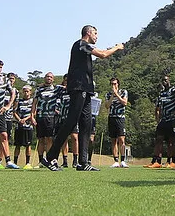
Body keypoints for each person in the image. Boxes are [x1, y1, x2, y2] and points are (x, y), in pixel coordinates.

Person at [42, 25, 124, 171]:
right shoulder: (80, 44)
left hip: (86, 89)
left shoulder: (84, 47)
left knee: (86, 125)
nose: (97, 36)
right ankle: (50, 158)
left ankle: (83, 162)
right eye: (95, 33)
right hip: (78, 88)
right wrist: (117, 47)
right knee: (71, 121)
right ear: (88, 33)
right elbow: (103, 54)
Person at [148, 75, 175, 169]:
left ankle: (171, 161)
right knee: (159, 139)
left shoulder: (174, 90)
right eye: (163, 81)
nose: (165, 82)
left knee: (171, 141)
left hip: (172, 119)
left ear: (169, 81)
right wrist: (157, 118)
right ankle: (157, 161)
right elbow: (157, 107)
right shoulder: (161, 94)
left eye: (166, 80)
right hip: (163, 120)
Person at [32, 72, 61, 166]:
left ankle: (49, 159)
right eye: (47, 76)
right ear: (44, 78)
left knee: (49, 139)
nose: (49, 78)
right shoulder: (39, 90)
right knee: (41, 139)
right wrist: (32, 116)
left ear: (53, 79)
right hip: (40, 116)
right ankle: (41, 161)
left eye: (51, 77)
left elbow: (67, 87)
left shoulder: (56, 89)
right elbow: (34, 104)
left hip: (51, 117)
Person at [104, 77, 129, 168]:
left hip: (120, 118)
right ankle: (115, 160)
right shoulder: (108, 94)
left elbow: (124, 103)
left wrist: (117, 95)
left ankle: (122, 160)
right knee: (113, 140)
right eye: (112, 84)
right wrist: (112, 96)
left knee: (122, 139)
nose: (113, 85)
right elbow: (107, 106)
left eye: (115, 83)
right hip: (111, 118)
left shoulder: (123, 92)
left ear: (118, 84)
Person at [13, 85, 35, 169]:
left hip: (28, 126)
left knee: (28, 145)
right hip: (19, 126)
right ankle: (15, 162)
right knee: (17, 145)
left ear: (30, 92)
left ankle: (28, 163)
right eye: (24, 91)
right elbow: (14, 112)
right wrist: (19, 120)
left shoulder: (32, 101)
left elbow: (34, 112)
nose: (26, 93)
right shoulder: (19, 101)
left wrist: (26, 119)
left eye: (27, 91)